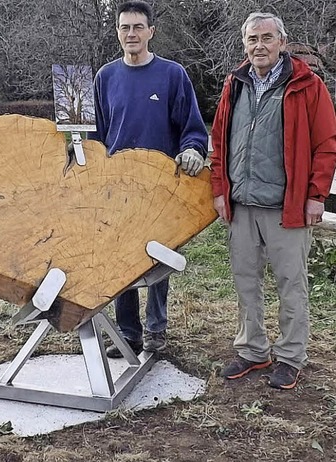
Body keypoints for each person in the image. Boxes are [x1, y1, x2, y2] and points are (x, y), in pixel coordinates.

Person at [211, 12, 336, 390]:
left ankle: (290, 356)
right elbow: (218, 141)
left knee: (290, 283)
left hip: (288, 207)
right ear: (244, 44)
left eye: (267, 38)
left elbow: (326, 145)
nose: (259, 46)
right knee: (246, 282)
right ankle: (252, 350)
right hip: (242, 205)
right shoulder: (235, 84)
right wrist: (219, 190)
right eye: (252, 39)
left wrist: (316, 196)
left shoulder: (306, 85)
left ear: (281, 42)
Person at [88, 1, 208, 357]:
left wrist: (192, 150)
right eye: (125, 28)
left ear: (151, 31)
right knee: (119, 259)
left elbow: (192, 128)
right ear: (117, 32)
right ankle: (128, 332)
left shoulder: (172, 75)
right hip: (117, 189)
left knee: (158, 259)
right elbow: (96, 134)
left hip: (160, 187)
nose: (131, 34)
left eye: (138, 27)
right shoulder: (105, 77)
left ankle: (156, 329)